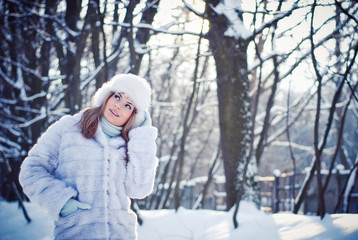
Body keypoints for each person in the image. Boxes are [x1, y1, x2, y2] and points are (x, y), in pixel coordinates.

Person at [19, 73, 158, 240]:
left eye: (128, 105)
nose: (118, 106)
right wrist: (62, 202)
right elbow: (31, 170)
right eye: (117, 96)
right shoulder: (68, 128)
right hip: (75, 233)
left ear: (134, 116)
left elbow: (139, 189)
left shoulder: (131, 145)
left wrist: (143, 136)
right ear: (107, 96)